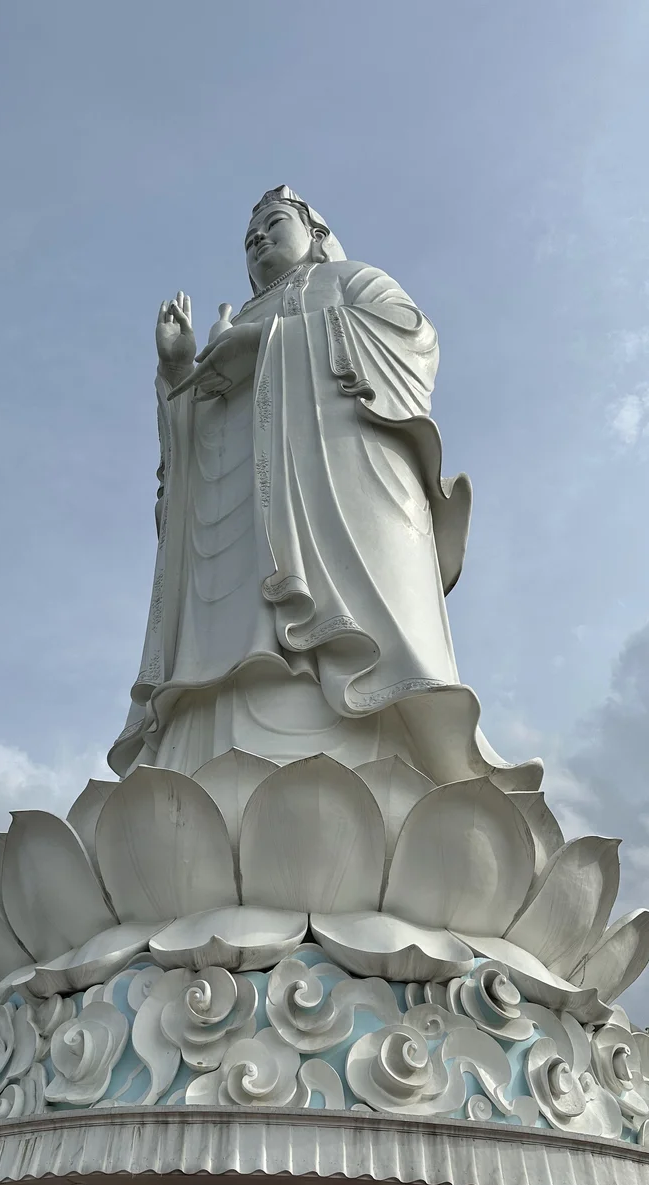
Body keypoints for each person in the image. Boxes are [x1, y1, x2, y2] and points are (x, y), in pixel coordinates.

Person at [110, 185, 540, 791]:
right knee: (222, 667)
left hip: (337, 497)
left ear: (314, 232)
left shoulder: (350, 281)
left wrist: (268, 345)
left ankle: (381, 767)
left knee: (351, 671)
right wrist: (180, 372)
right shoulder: (230, 326)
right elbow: (183, 471)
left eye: (273, 223)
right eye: (248, 237)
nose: (258, 238)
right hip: (236, 553)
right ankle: (200, 767)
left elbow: (413, 342)